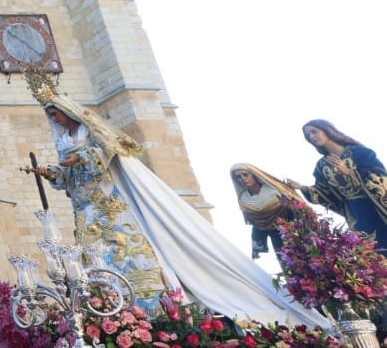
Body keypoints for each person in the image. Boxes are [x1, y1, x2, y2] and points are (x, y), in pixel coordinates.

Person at [24, 75, 326, 326]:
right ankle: (110, 308)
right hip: (85, 208)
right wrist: (51, 173)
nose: (54, 118)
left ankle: (154, 308)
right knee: (94, 259)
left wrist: (82, 157)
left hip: (112, 203)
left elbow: (110, 149)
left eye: (56, 113)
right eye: (50, 116)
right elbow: (69, 178)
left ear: (68, 110)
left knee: (129, 251)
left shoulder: (90, 130)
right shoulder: (63, 140)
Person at [293, 121, 387, 248]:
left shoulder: (360, 152)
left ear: (327, 130)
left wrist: (349, 172)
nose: (311, 137)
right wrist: (303, 188)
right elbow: (324, 192)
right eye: (308, 135)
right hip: (356, 212)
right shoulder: (321, 166)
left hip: (377, 206)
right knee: (372, 249)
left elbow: (381, 176)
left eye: (314, 132)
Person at [232, 165, 300, 256]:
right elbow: (256, 224)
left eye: (245, 174)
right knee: (284, 260)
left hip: (291, 230)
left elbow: (298, 209)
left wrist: (287, 205)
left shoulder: (273, 189)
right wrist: (257, 245)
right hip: (271, 237)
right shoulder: (244, 199)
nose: (243, 179)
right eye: (238, 177)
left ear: (253, 174)